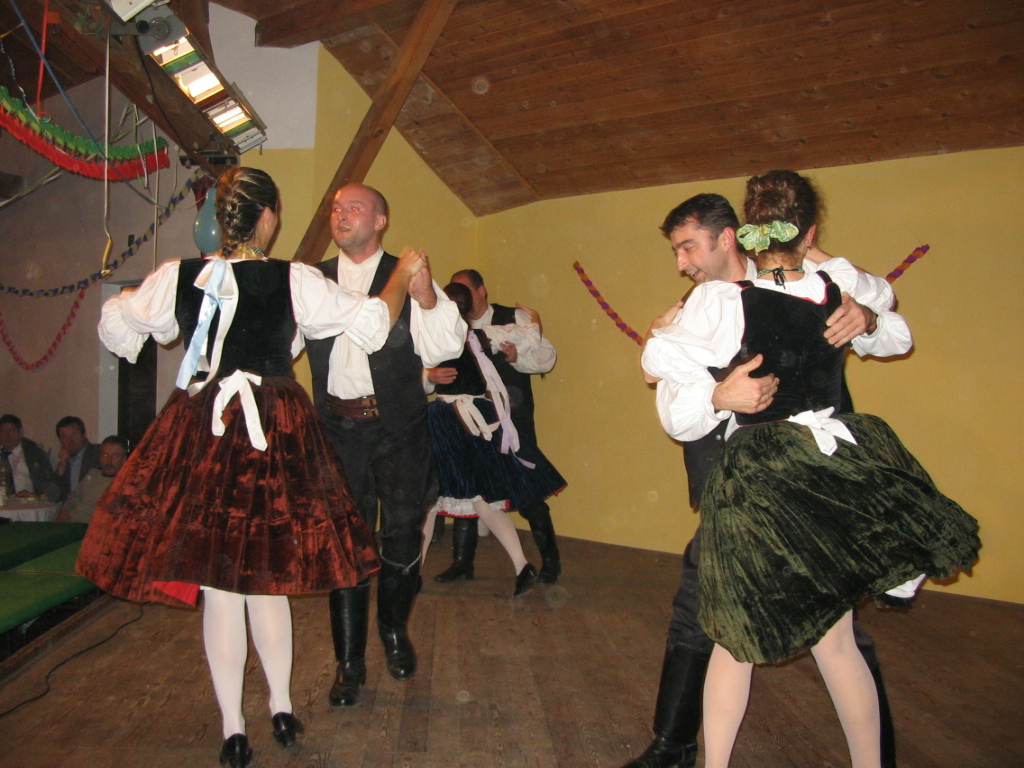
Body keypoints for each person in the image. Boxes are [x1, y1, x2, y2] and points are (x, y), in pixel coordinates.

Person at [77, 167, 424, 768]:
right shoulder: (293, 278)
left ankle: (235, 728)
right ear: (267, 217)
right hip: (270, 432)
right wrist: (399, 277)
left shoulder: (178, 275)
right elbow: (372, 324)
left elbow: (118, 321)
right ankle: (280, 710)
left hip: (204, 431)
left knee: (223, 587)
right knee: (266, 578)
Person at [641, 171, 978, 768]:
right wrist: (719, 393)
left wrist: (671, 335)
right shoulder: (831, 287)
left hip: (761, 479)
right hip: (827, 468)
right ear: (810, 232)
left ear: (740, 233)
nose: (682, 263)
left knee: (736, 641)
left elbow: (656, 360)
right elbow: (873, 296)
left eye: (687, 247)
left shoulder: (722, 301)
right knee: (834, 642)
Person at [303, 183, 466, 709]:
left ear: (380, 220)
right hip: (337, 429)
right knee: (345, 547)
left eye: (354, 207)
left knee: (400, 538)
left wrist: (427, 297)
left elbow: (445, 348)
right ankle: (348, 665)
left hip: (397, 427)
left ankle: (394, 631)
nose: (341, 215)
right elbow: (281, 345)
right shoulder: (311, 280)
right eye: (336, 207)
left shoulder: (408, 270)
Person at [420, 282, 567, 596]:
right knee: (475, 499)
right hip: (469, 420)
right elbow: (527, 334)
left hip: (457, 422)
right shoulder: (475, 335)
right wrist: (534, 320)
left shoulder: (441, 338)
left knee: (439, 500)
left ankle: (411, 575)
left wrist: (427, 377)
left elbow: (410, 375)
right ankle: (519, 566)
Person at [55, 435, 127, 523]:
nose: (109, 461)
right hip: (70, 524)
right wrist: (58, 523)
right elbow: (72, 500)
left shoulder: (125, 483)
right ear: (99, 456)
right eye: (105, 455)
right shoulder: (92, 474)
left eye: (115, 456)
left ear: (124, 459)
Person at [0, 413, 58, 501]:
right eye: (2, 432)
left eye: (11, 431)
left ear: (20, 432)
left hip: (30, 503)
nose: (7, 436)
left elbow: (47, 482)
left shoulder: (35, 453)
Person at [54, 416, 102, 502]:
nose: (70, 441)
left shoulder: (98, 454)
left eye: (74, 435)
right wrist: (61, 468)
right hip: (70, 508)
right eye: (64, 437)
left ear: (84, 435)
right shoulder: (64, 462)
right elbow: (53, 496)